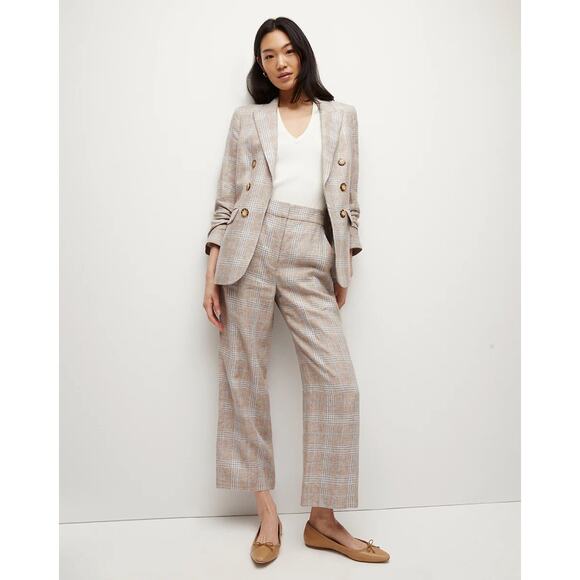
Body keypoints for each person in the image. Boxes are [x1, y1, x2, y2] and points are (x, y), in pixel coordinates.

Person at [202, 17, 389, 565]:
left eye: (287, 51)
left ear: (303, 55)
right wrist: (211, 271)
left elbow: (349, 203)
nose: (280, 62)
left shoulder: (341, 117)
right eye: (268, 56)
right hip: (249, 249)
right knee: (244, 379)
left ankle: (323, 521)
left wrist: (343, 266)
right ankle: (267, 515)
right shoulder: (248, 120)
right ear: (260, 66)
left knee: (338, 383)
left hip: (311, 250)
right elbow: (226, 199)